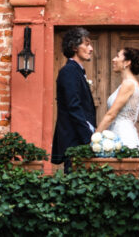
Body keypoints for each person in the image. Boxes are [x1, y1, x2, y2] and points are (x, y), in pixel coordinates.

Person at [96, 46, 139, 182]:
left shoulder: (129, 84)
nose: (114, 59)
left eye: (118, 56)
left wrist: (95, 137)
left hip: (122, 135)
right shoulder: (127, 84)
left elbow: (111, 114)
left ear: (127, 63)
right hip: (120, 132)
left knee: (126, 175)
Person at [51, 27, 96, 172]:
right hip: (75, 141)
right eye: (87, 44)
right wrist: (89, 138)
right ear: (74, 47)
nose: (91, 49)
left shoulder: (76, 71)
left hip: (79, 140)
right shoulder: (69, 71)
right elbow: (73, 107)